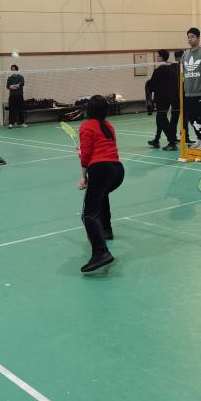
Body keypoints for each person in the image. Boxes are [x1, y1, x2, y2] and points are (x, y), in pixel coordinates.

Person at [77, 95, 124, 274]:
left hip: (101, 170)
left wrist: (83, 177)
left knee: (88, 214)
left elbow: (86, 155)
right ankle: (106, 230)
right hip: (117, 171)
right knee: (101, 195)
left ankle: (100, 252)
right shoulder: (108, 126)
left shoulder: (86, 126)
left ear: (88, 110)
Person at [145, 50, 177, 151]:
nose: (157, 57)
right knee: (160, 118)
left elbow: (153, 86)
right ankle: (156, 140)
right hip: (169, 98)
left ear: (162, 57)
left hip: (161, 98)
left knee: (162, 119)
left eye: (158, 56)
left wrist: (148, 84)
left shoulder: (158, 70)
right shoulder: (171, 69)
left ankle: (172, 142)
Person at [171, 49, 184, 142]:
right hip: (179, 96)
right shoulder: (181, 66)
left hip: (174, 96)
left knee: (174, 117)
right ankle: (183, 137)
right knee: (182, 117)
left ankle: (174, 137)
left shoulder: (171, 66)